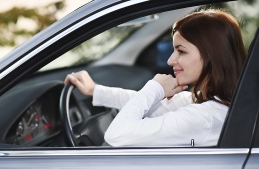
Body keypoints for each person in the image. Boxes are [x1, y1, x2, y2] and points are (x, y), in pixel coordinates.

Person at [64, 9, 247, 147]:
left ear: (211, 55)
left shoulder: (202, 118)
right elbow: (146, 104)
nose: (170, 60)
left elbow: (116, 135)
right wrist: (94, 91)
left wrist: (155, 88)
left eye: (181, 51)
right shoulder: (210, 104)